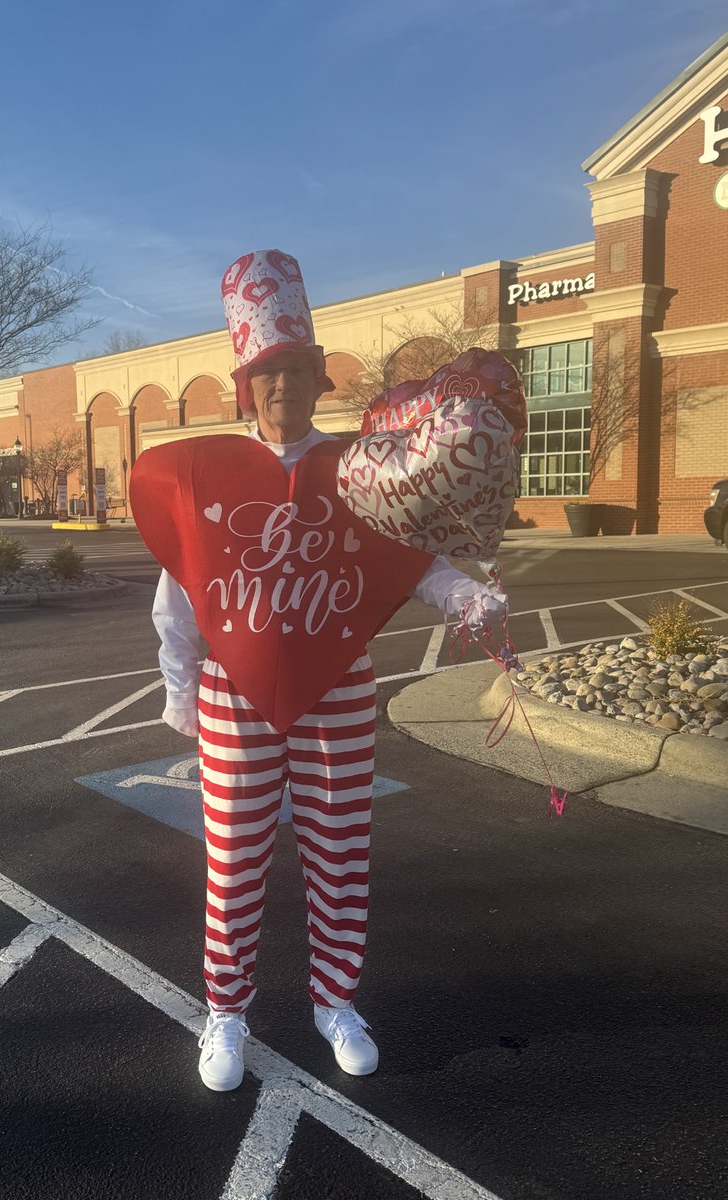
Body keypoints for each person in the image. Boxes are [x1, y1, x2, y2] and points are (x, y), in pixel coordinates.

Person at [132, 250, 507, 1092]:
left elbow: (408, 557)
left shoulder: (362, 469)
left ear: (316, 378)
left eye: (295, 370)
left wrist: (467, 598)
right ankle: (225, 1011)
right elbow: (182, 588)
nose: (280, 387)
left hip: (337, 686)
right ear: (245, 385)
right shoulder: (209, 477)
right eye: (265, 373)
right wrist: (178, 681)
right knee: (232, 859)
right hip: (235, 694)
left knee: (341, 851)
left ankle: (335, 1001)